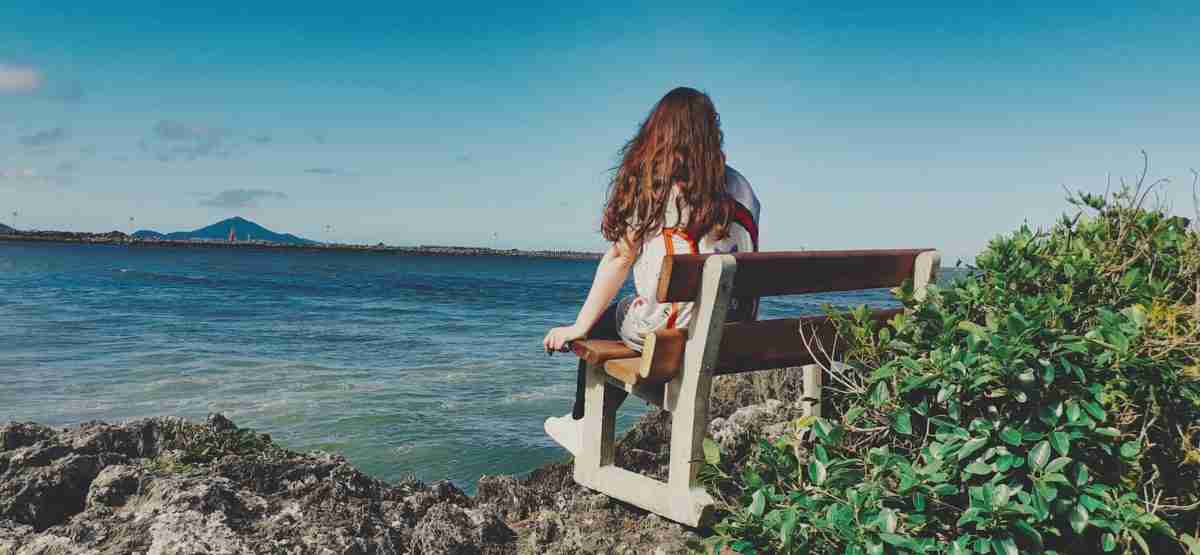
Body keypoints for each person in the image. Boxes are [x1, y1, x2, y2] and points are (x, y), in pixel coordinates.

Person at [542, 87, 761, 454]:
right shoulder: (743, 188)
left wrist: (577, 327)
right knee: (629, 315)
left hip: (675, 338)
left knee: (612, 317)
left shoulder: (660, 187)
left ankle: (583, 425)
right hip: (732, 335)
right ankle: (583, 423)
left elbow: (618, 259)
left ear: (660, 134)